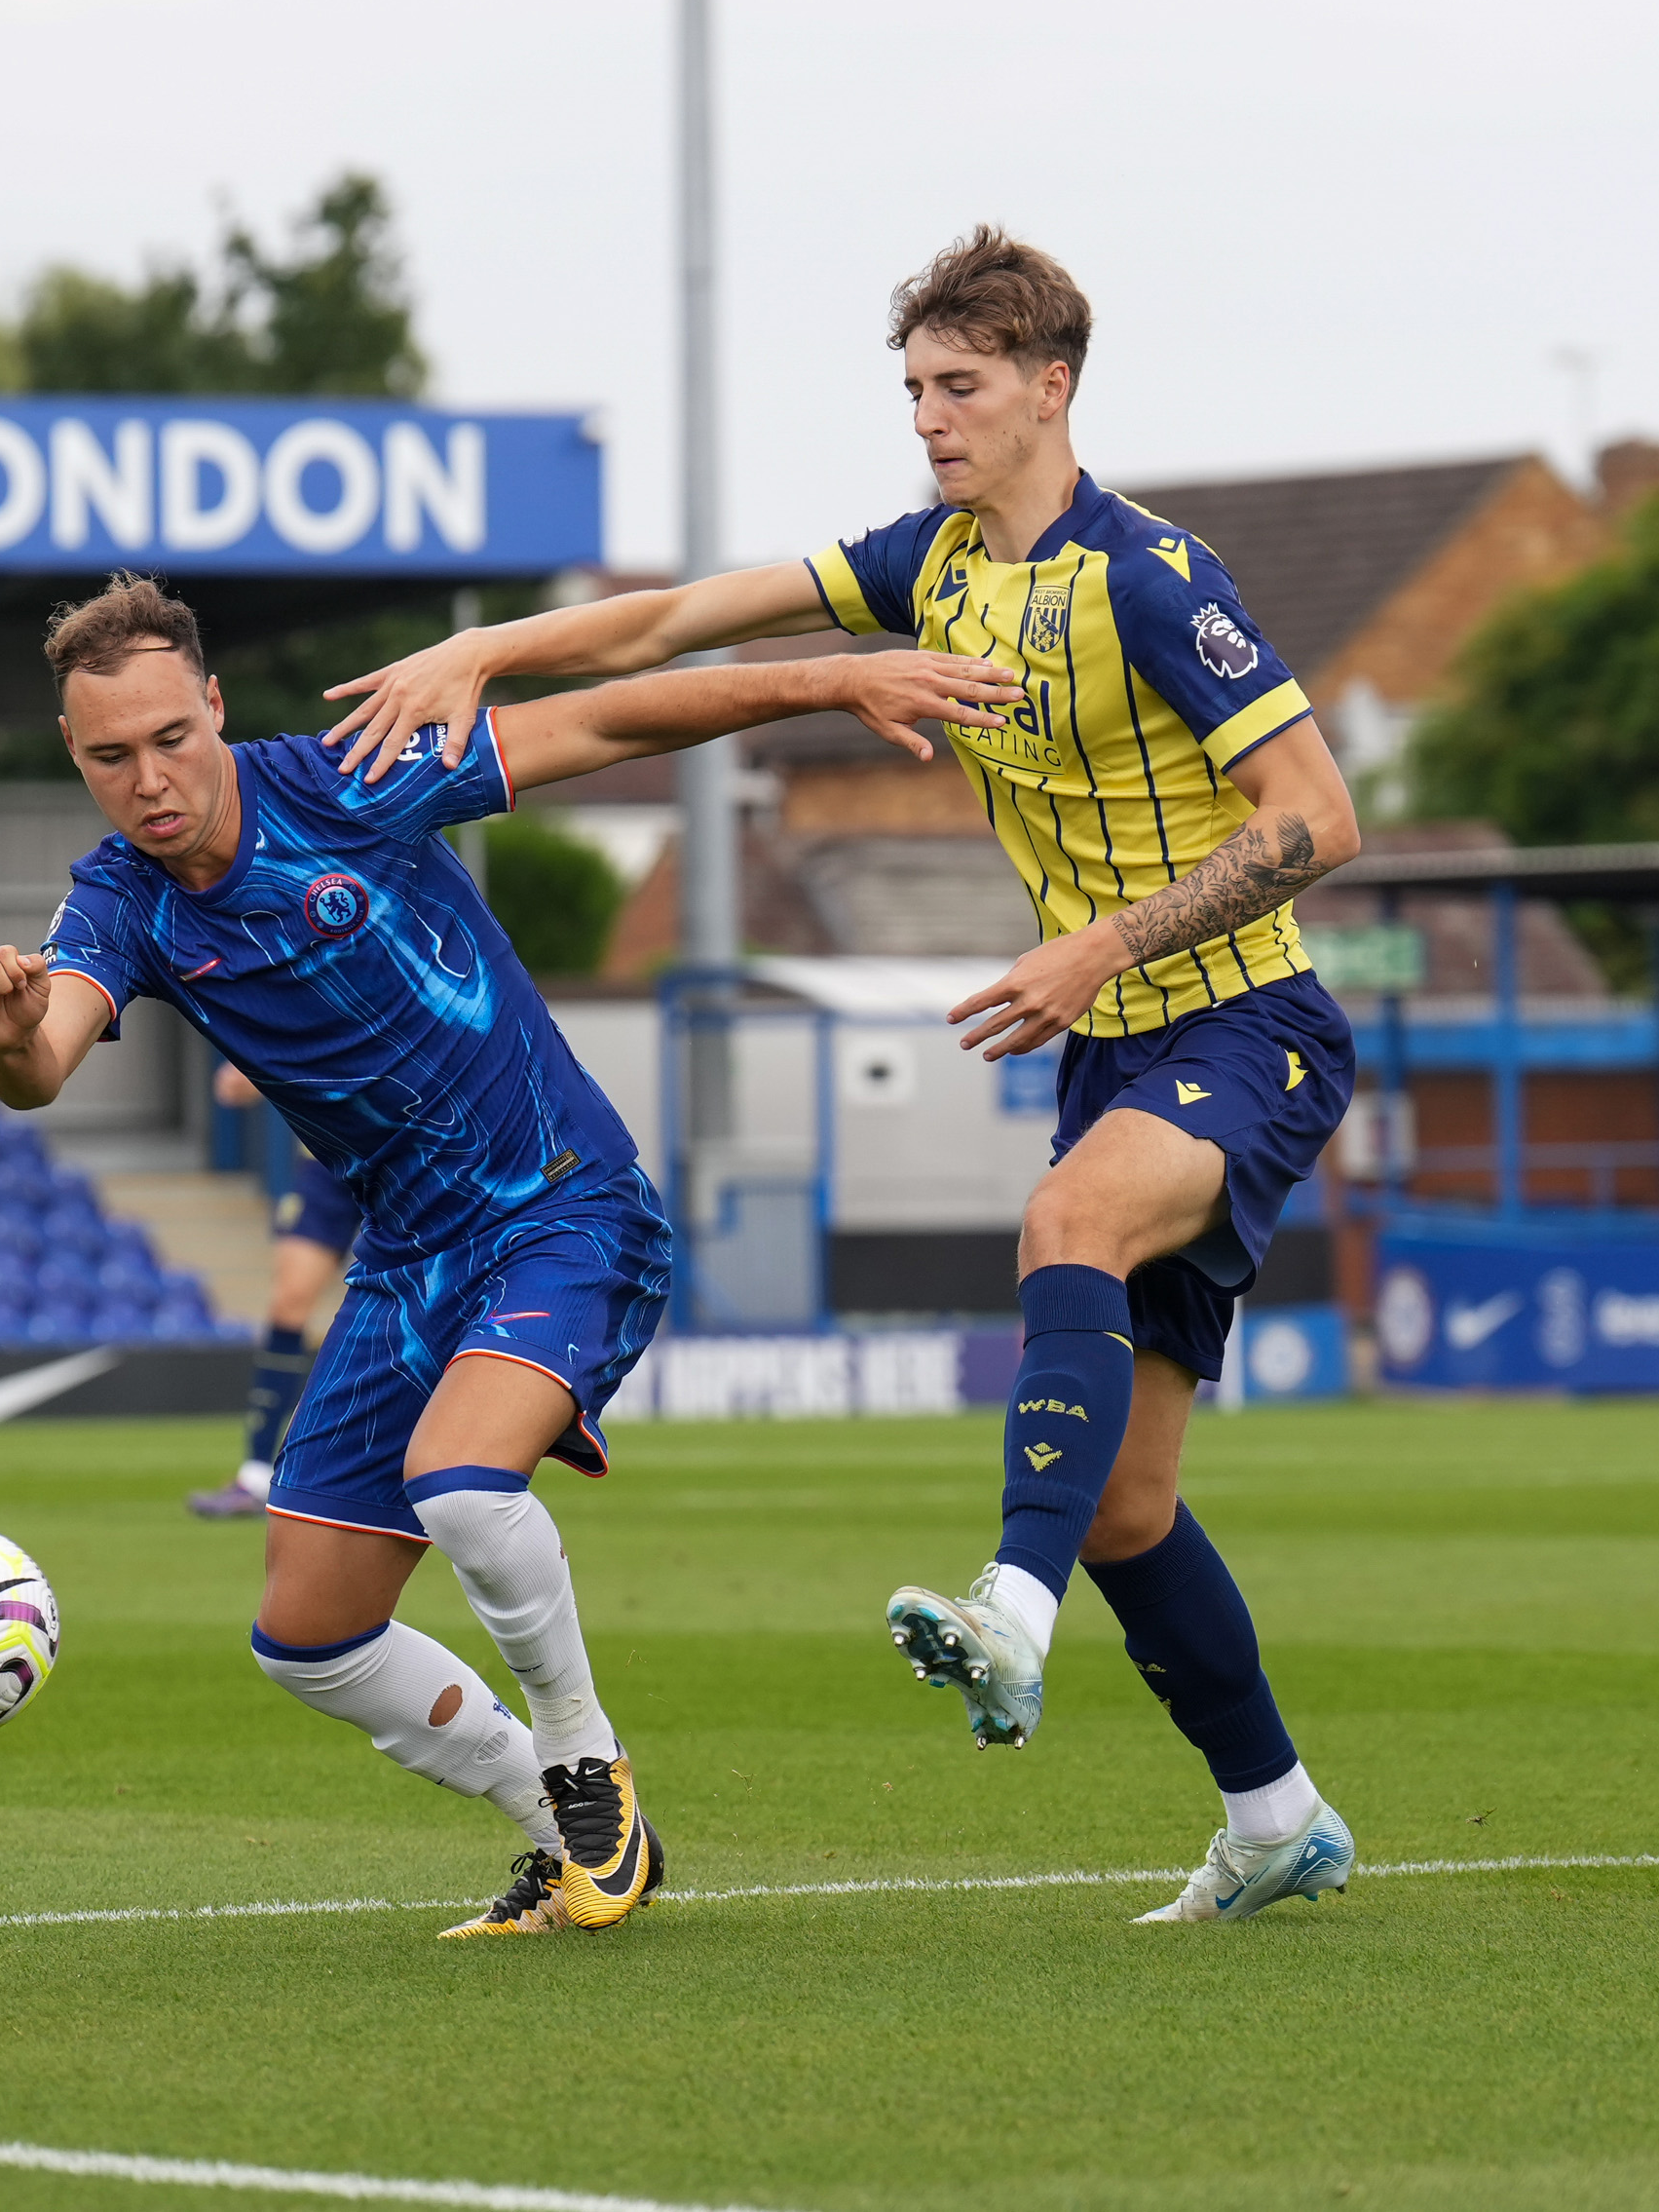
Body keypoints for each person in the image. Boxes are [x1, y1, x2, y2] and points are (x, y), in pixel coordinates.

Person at [318, 226, 1367, 1926]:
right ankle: (1273, 1815)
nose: (929, 421)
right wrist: (483, 653)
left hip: (1247, 1025)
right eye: (911, 392)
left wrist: (1102, 946)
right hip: (1111, 1047)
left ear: (1051, 385)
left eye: (958, 388)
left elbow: (1318, 817)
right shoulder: (929, 565)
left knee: (1066, 1223)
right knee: (1128, 1503)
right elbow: (677, 617)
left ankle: (1006, 1618)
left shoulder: (1152, 579)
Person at [0, 574, 1013, 1936]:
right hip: (410, 1262)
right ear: (76, 756)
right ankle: (568, 1838)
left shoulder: (351, 777)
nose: (150, 778)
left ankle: (586, 1756)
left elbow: (614, 720)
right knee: (309, 1633)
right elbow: (42, 1060)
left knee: (459, 1481)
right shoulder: (120, 902)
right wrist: (2, 1030)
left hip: (566, 1208)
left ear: (214, 706)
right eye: (112, 755)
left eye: (172, 735)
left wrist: (831, 678)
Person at [191, 1060, 358, 1519]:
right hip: (328, 1162)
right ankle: (256, 1473)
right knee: (288, 1305)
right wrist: (253, 1065)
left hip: (407, 1155)